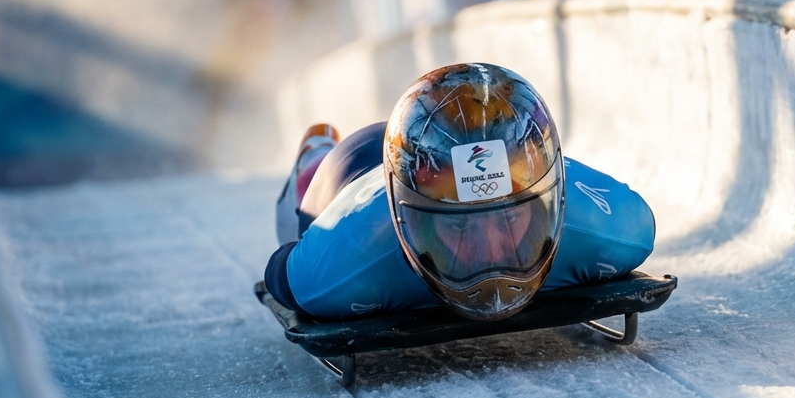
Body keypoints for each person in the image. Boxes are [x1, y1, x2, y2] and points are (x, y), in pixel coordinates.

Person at [266, 62, 655, 322]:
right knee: (303, 205)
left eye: (507, 216)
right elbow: (284, 274)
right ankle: (315, 154)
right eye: (461, 227)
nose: (490, 253)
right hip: (355, 164)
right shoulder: (344, 264)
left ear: (545, 204)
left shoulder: (614, 228)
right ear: (414, 221)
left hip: (439, 167)